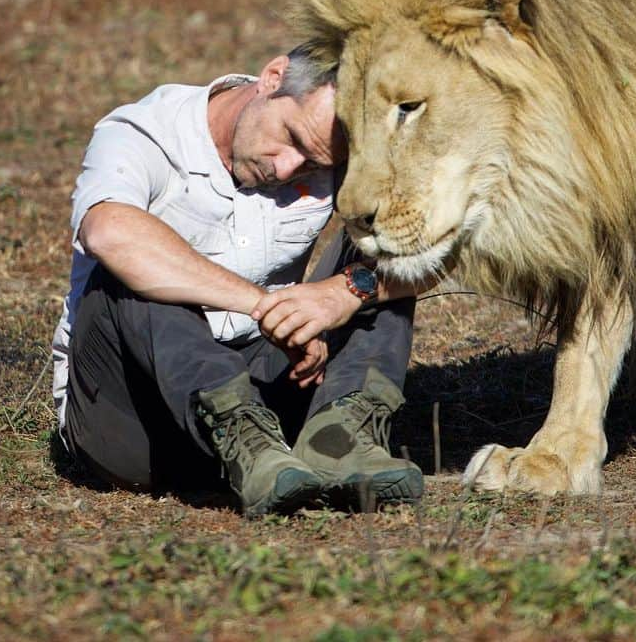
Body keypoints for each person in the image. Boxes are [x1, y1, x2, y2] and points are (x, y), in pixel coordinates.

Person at [51, 46, 425, 516]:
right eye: (290, 138)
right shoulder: (143, 132)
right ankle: (239, 430)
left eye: (312, 164)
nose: (286, 168)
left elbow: (437, 249)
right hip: (131, 426)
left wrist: (342, 294)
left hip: (270, 417)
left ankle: (341, 441)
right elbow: (107, 231)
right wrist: (263, 306)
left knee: (381, 248)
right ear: (271, 77)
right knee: (130, 262)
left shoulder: (335, 153)